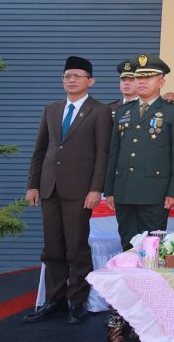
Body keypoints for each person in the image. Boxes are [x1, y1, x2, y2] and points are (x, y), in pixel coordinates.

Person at [24, 56, 112, 325]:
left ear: (90, 81)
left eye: (77, 76)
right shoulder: (51, 109)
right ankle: (54, 300)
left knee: (76, 249)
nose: (71, 80)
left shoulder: (99, 111)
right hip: (49, 189)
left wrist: (96, 189)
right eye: (66, 76)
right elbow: (40, 150)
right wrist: (33, 184)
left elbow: (102, 154)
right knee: (52, 249)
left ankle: (77, 301)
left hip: (80, 191)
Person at [104, 54, 174, 250]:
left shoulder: (173, 113)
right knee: (128, 245)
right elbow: (114, 153)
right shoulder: (124, 112)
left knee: (151, 247)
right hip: (124, 191)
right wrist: (109, 190)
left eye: (148, 77)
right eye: (138, 77)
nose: (141, 81)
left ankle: (150, 282)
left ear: (161, 81)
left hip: (155, 193)